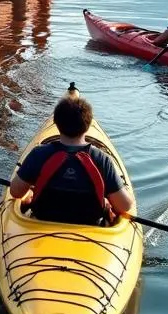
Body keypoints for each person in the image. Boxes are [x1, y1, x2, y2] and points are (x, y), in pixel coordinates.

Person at [9, 95, 133, 225]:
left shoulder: (39, 154)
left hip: (42, 221)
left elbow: (15, 192)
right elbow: (124, 206)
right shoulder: (102, 160)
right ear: (88, 125)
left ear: (56, 123)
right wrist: (108, 201)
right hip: (91, 227)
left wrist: (30, 192)